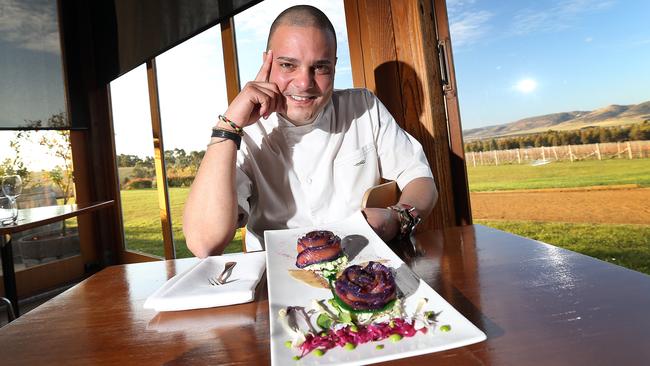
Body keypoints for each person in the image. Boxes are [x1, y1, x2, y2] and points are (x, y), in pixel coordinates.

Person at [183, 5, 437, 257]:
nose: (304, 83)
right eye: (287, 65)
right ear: (267, 63)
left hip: (363, 267)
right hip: (274, 278)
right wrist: (228, 126)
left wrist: (397, 217)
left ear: (334, 66)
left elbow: (420, 179)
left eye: (320, 67)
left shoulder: (364, 107)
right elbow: (204, 243)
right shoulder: (244, 132)